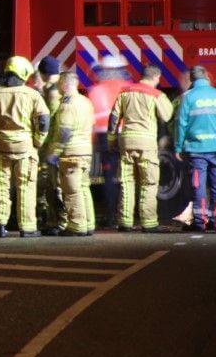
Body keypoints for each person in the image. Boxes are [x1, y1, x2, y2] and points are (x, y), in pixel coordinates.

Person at [0, 56, 50, 238]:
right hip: (25, 149)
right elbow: (43, 120)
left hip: (1, 147)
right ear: (24, 74)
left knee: (0, 187)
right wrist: (38, 141)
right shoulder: (33, 95)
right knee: (25, 187)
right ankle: (27, 228)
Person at [108, 64, 174, 232]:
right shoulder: (155, 94)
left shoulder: (124, 91)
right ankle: (149, 222)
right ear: (156, 77)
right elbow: (167, 115)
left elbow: (114, 117)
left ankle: (125, 222)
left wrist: (112, 139)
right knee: (149, 182)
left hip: (127, 141)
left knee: (127, 182)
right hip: (146, 143)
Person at [174, 65, 216, 232]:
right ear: (207, 77)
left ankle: (199, 222)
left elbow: (181, 124)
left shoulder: (187, 97)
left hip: (196, 149)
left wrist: (178, 147)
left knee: (198, 185)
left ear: (191, 79)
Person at [44, 71, 96, 236]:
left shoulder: (67, 104)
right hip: (86, 152)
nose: (58, 85)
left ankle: (77, 226)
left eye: (60, 82)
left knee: (71, 191)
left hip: (71, 153)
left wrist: (55, 152)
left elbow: (65, 131)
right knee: (83, 188)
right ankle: (88, 224)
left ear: (65, 85)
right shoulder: (86, 101)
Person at [87, 55, 130, 228]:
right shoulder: (127, 87)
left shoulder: (95, 90)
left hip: (104, 138)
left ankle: (112, 216)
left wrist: (90, 143)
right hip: (126, 135)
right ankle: (126, 214)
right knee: (128, 177)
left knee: (110, 177)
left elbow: (91, 120)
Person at [34, 56, 63, 232]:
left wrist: (44, 146)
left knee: (55, 185)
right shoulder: (56, 88)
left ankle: (57, 221)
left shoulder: (52, 92)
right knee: (53, 185)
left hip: (52, 146)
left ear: (44, 73)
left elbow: (51, 121)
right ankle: (53, 220)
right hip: (56, 145)